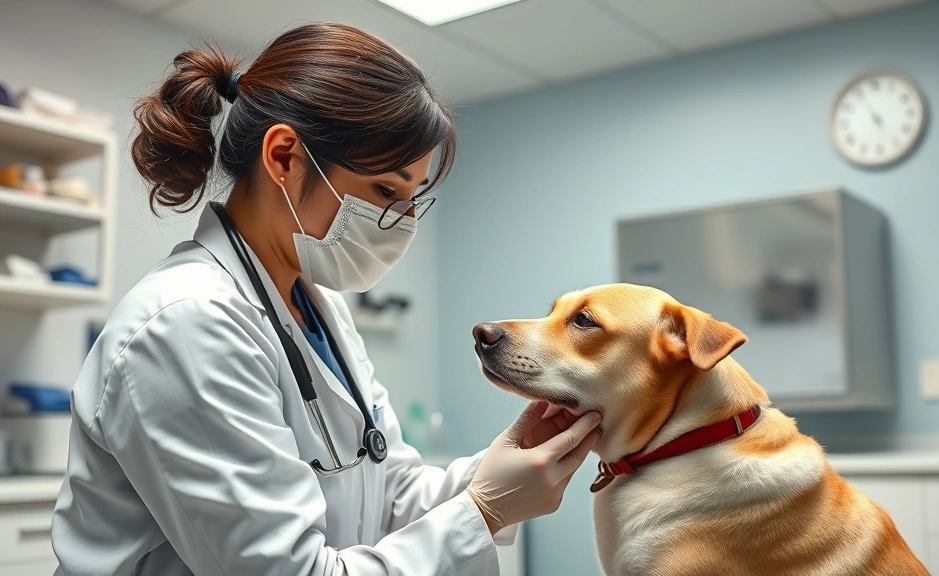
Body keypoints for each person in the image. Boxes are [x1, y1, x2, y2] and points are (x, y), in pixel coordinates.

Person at [51, 23, 602, 576]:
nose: (403, 222)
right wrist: (482, 511)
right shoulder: (187, 324)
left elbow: (390, 491)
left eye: (413, 198)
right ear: (285, 157)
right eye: (387, 191)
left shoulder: (317, 306)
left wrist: (506, 464)